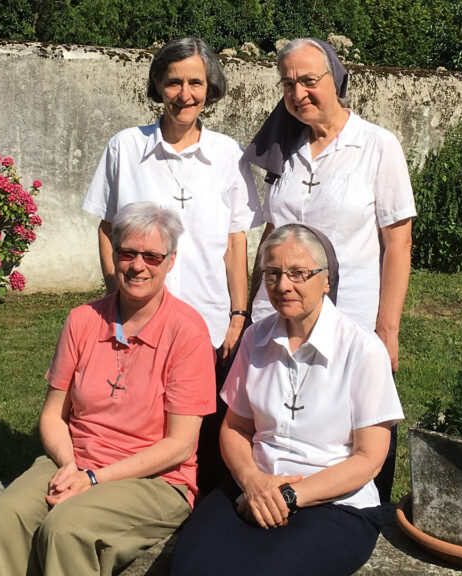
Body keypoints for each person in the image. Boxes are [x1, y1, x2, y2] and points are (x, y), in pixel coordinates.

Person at [0, 202, 216, 576]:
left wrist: (94, 479)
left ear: (170, 262)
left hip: (154, 480)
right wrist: (71, 464)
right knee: (5, 515)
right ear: (115, 255)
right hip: (76, 459)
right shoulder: (82, 320)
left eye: (152, 257)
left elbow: (181, 445)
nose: (138, 265)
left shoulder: (187, 332)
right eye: (128, 253)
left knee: (66, 530)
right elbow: (54, 415)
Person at [170, 224, 403, 576]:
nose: (283, 285)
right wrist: (252, 480)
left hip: (335, 503)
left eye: (298, 273)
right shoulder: (254, 339)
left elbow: (370, 459)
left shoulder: (363, 350)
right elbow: (235, 427)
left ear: (326, 280)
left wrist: (290, 497)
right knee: (189, 566)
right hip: (253, 486)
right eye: (273, 273)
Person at [82, 36, 260, 495]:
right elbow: (108, 228)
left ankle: (203, 522)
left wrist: (238, 315)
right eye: (174, 82)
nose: (185, 94)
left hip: (209, 322)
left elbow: (234, 241)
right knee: (141, 423)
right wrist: (116, 294)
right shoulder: (125, 147)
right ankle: (139, 503)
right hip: (139, 321)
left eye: (196, 82)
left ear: (210, 88)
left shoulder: (227, 155)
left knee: (208, 433)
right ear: (158, 86)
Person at [244, 37, 416, 503]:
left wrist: (388, 328)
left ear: (334, 79)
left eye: (308, 81)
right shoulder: (285, 151)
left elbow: (398, 242)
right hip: (275, 312)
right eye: (287, 83)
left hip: (351, 316)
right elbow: (270, 236)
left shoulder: (376, 145)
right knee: (274, 418)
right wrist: (247, 309)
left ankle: (359, 517)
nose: (298, 93)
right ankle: (267, 498)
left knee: (359, 426)